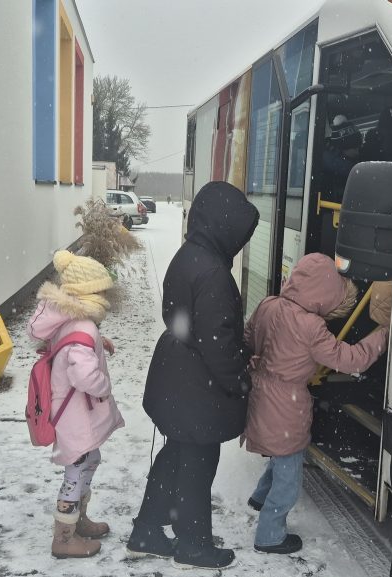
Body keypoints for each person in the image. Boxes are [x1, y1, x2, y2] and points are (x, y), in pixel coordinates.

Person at [127, 181, 259, 570]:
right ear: (223, 225)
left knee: (175, 457)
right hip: (198, 386)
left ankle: (148, 530)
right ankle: (193, 543)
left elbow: (186, 321)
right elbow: (218, 344)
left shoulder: (189, 255)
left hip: (178, 377)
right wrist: (240, 379)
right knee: (197, 467)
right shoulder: (214, 273)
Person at [243, 253, 388, 554]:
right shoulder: (311, 327)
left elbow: (247, 336)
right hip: (286, 403)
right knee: (289, 474)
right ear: (326, 296)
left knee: (279, 454)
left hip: (260, 393)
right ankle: (269, 535)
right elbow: (351, 360)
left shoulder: (269, 304)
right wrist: (382, 336)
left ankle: (259, 496)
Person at [28, 250, 125, 559]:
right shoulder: (84, 329)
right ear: (90, 293)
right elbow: (84, 375)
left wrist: (98, 340)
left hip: (72, 412)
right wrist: (104, 385)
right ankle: (64, 538)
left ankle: (78, 518)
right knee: (77, 469)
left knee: (89, 460)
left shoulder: (73, 321)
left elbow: (73, 343)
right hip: (75, 415)